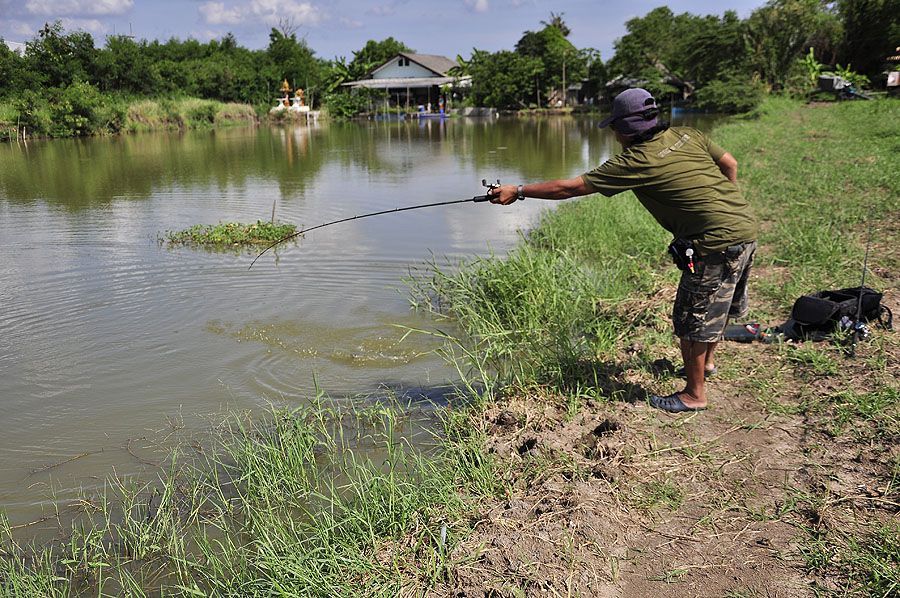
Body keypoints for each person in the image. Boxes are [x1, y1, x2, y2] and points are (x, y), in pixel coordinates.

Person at [488, 88, 758, 413]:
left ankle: (694, 394)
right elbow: (730, 163)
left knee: (692, 320)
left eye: (614, 128)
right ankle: (707, 365)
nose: (614, 135)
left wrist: (517, 191)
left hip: (713, 244)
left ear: (625, 129)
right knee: (715, 310)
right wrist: (723, 206)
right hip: (745, 228)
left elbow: (570, 188)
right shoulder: (688, 135)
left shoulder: (635, 161)